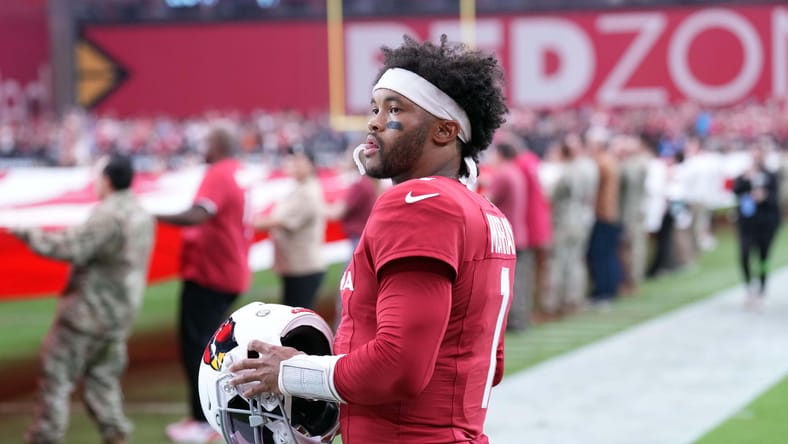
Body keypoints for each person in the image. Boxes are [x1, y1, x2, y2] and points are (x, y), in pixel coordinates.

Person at [227, 34, 512, 443]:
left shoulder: (418, 203)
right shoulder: (484, 212)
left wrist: (290, 373)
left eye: (395, 110)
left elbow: (400, 366)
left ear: (446, 131)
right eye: (375, 108)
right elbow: (488, 363)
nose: (375, 122)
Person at [10, 154, 154, 444]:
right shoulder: (142, 213)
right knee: (103, 382)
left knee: (57, 380)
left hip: (88, 315)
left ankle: (45, 438)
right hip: (119, 316)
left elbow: (72, 247)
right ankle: (116, 436)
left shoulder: (108, 215)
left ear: (108, 180)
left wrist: (27, 233)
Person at [157, 124, 252, 444]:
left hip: (212, 274)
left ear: (217, 145)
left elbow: (199, 214)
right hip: (229, 270)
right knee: (211, 347)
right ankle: (206, 416)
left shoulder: (220, 174)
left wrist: (154, 216)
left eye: (206, 141)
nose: (202, 147)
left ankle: (204, 420)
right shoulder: (237, 172)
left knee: (199, 349)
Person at [254, 146, 326, 310]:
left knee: (296, 321)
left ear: (311, 165)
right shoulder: (300, 188)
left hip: (303, 269)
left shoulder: (306, 192)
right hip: (297, 267)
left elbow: (277, 221)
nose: (294, 164)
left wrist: (245, 222)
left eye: (300, 161)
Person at [325, 145, 381, 327]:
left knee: (347, 291)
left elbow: (336, 213)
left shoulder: (360, 185)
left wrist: (316, 205)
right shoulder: (373, 183)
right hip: (366, 241)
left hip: (356, 243)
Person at [485, 139, 529, 331]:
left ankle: (513, 321)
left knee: (507, 282)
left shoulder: (503, 175)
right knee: (518, 280)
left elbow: (486, 201)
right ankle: (520, 318)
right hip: (518, 231)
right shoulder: (516, 172)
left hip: (506, 235)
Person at [733, 140, 781, 306]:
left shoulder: (770, 175)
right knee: (744, 255)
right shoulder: (745, 174)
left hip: (766, 223)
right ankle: (748, 287)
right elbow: (736, 191)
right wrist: (746, 179)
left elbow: (775, 200)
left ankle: (762, 288)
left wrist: (764, 197)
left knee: (763, 258)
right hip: (747, 223)